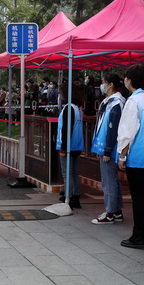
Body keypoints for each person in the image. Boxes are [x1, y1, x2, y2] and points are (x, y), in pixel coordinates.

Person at [117, 64, 144, 250]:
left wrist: (122, 156)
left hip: (138, 157)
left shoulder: (133, 101)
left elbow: (128, 131)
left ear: (129, 80)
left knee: (139, 198)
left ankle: (139, 236)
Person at [90, 73, 126, 224]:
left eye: (104, 82)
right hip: (106, 147)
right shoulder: (109, 101)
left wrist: (107, 150)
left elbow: (113, 128)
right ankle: (116, 211)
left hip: (109, 148)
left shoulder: (116, 103)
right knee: (112, 180)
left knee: (109, 181)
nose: (102, 86)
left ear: (111, 85)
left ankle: (110, 212)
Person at [56, 81, 85, 209]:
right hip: (76, 145)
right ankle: (75, 196)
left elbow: (66, 129)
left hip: (68, 146)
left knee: (67, 173)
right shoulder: (77, 108)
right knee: (74, 172)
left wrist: (63, 147)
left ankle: (69, 196)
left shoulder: (69, 108)